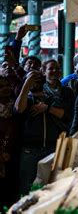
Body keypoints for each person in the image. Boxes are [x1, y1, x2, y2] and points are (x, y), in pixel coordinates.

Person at [15, 68, 71, 195]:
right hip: (30, 151)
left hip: (52, 149)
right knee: (26, 188)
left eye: (38, 78)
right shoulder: (26, 99)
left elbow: (65, 115)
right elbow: (19, 109)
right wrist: (27, 84)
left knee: (51, 188)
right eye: (32, 78)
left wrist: (47, 108)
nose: (36, 80)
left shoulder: (52, 98)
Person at [0, 77, 20, 208]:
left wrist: (8, 152)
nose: (6, 89)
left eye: (8, 85)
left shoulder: (16, 106)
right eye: (1, 87)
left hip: (13, 156)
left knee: (11, 195)